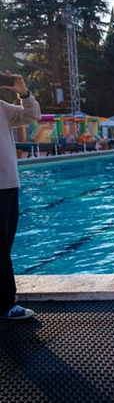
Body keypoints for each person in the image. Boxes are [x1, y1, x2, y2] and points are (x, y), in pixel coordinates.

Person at [0, 71, 41, 320]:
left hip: (8, 185)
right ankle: (6, 303)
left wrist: (22, 92)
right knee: (1, 247)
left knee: (5, 244)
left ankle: (3, 297)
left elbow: (31, 115)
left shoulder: (2, 108)